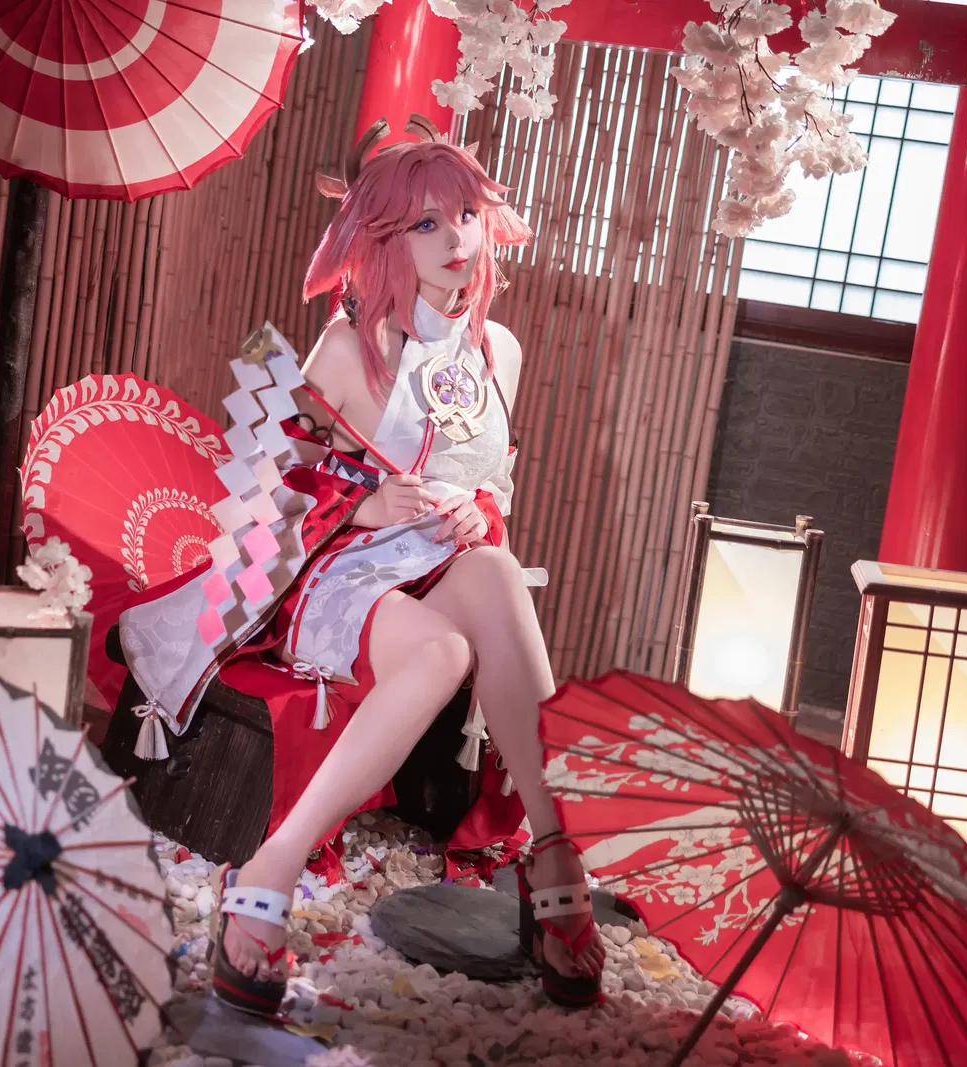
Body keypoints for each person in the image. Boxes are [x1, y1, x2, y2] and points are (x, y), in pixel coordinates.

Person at [115, 116, 606, 1017]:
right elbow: (266, 498)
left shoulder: (500, 352)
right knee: (441, 653)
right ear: (383, 239)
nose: (457, 239)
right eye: (426, 223)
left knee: (497, 571)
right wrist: (365, 505)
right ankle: (271, 866)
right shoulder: (344, 351)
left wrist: (477, 509)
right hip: (336, 569)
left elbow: (492, 481)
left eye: (466, 214)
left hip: (442, 556)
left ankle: (553, 847)